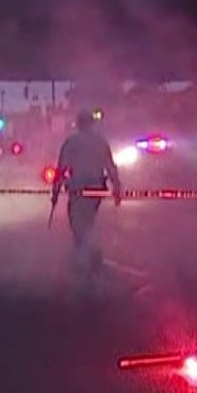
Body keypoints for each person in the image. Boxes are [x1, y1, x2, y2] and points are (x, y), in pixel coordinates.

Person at [52, 108, 123, 278]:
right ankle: (87, 254)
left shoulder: (72, 142)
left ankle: (85, 256)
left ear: (78, 123)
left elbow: (61, 168)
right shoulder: (100, 142)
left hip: (77, 188)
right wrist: (117, 188)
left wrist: (55, 191)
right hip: (96, 188)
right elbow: (110, 166)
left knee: (77, 222)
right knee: (88, 220)